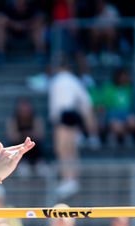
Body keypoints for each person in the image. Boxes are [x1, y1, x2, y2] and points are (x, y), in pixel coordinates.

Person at [49, 60, 98, 199]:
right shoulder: (74, 81)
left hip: (64, 116)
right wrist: (91, 130)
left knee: (63, 150)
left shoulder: (58, 80)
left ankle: (69, 180)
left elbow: (56, 104)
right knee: (70, 150)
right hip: (72, 116)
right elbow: (86, 103)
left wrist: (55, 120)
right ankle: (71, 179)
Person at [94, 67, 135, 147]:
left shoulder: (128, 87)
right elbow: (103, 103)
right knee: (117, 126)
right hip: (112, 114)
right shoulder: (108, 87)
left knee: (134, 122)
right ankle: (125, 136)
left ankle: (125, 135)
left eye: (126, 76)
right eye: (123, 76)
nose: (124, 78)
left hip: (126, 114)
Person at [0, 0, 46, 66]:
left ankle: (40, 54)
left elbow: (40, 17)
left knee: (38, 24)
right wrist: (14, 24)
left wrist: (24, 25)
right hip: (10, 35)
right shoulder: (7, 6)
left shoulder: (33, 6)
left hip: (28, 35)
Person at [6, 97, 45, 172]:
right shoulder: (13, 120)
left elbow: (40, 135)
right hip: (19, 151)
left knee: (42, 168)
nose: (25, 110)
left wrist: (24, 135)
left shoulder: (36, 119)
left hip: (35, 151)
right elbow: (12, 137)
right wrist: (28, 134)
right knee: (23, 170)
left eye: (27, 108)